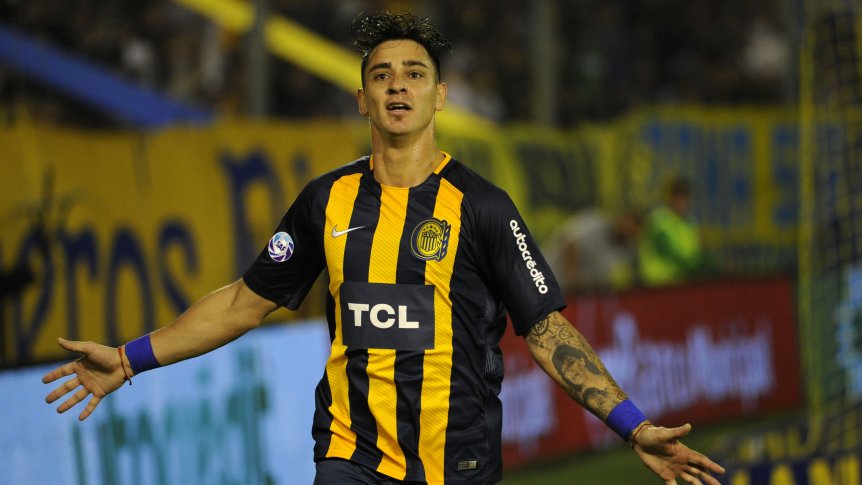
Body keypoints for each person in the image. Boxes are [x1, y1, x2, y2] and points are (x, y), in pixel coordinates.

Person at [43, 12, 724, 485]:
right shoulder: (325, 201)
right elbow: (243, 303)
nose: (398, 84)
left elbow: (546, 331)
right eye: (383, 75)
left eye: (415, 74)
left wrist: (633, 426)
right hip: (350, 455)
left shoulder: (483, 207)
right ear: (363, 98)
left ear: (440, 96)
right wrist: (128, 359)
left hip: (456, 461)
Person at [543, 206, 644, 293]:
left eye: (633, 234)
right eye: (629, 227)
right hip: (549, 281)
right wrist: (574, 281)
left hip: (577, 294)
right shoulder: (595, 223)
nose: (629, 234)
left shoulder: (625, 250)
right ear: (621, 219)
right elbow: (569, 243)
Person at [638, 176, 706, 286]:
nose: (682, 202)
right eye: (678, 197)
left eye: (685, 198)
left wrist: (699, 264)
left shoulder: (690, 223)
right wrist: (691, 266)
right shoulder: (659, 219)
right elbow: (664, 248)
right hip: (657, 284)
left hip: (683, 282)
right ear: (670, 198)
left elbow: (694, 252)